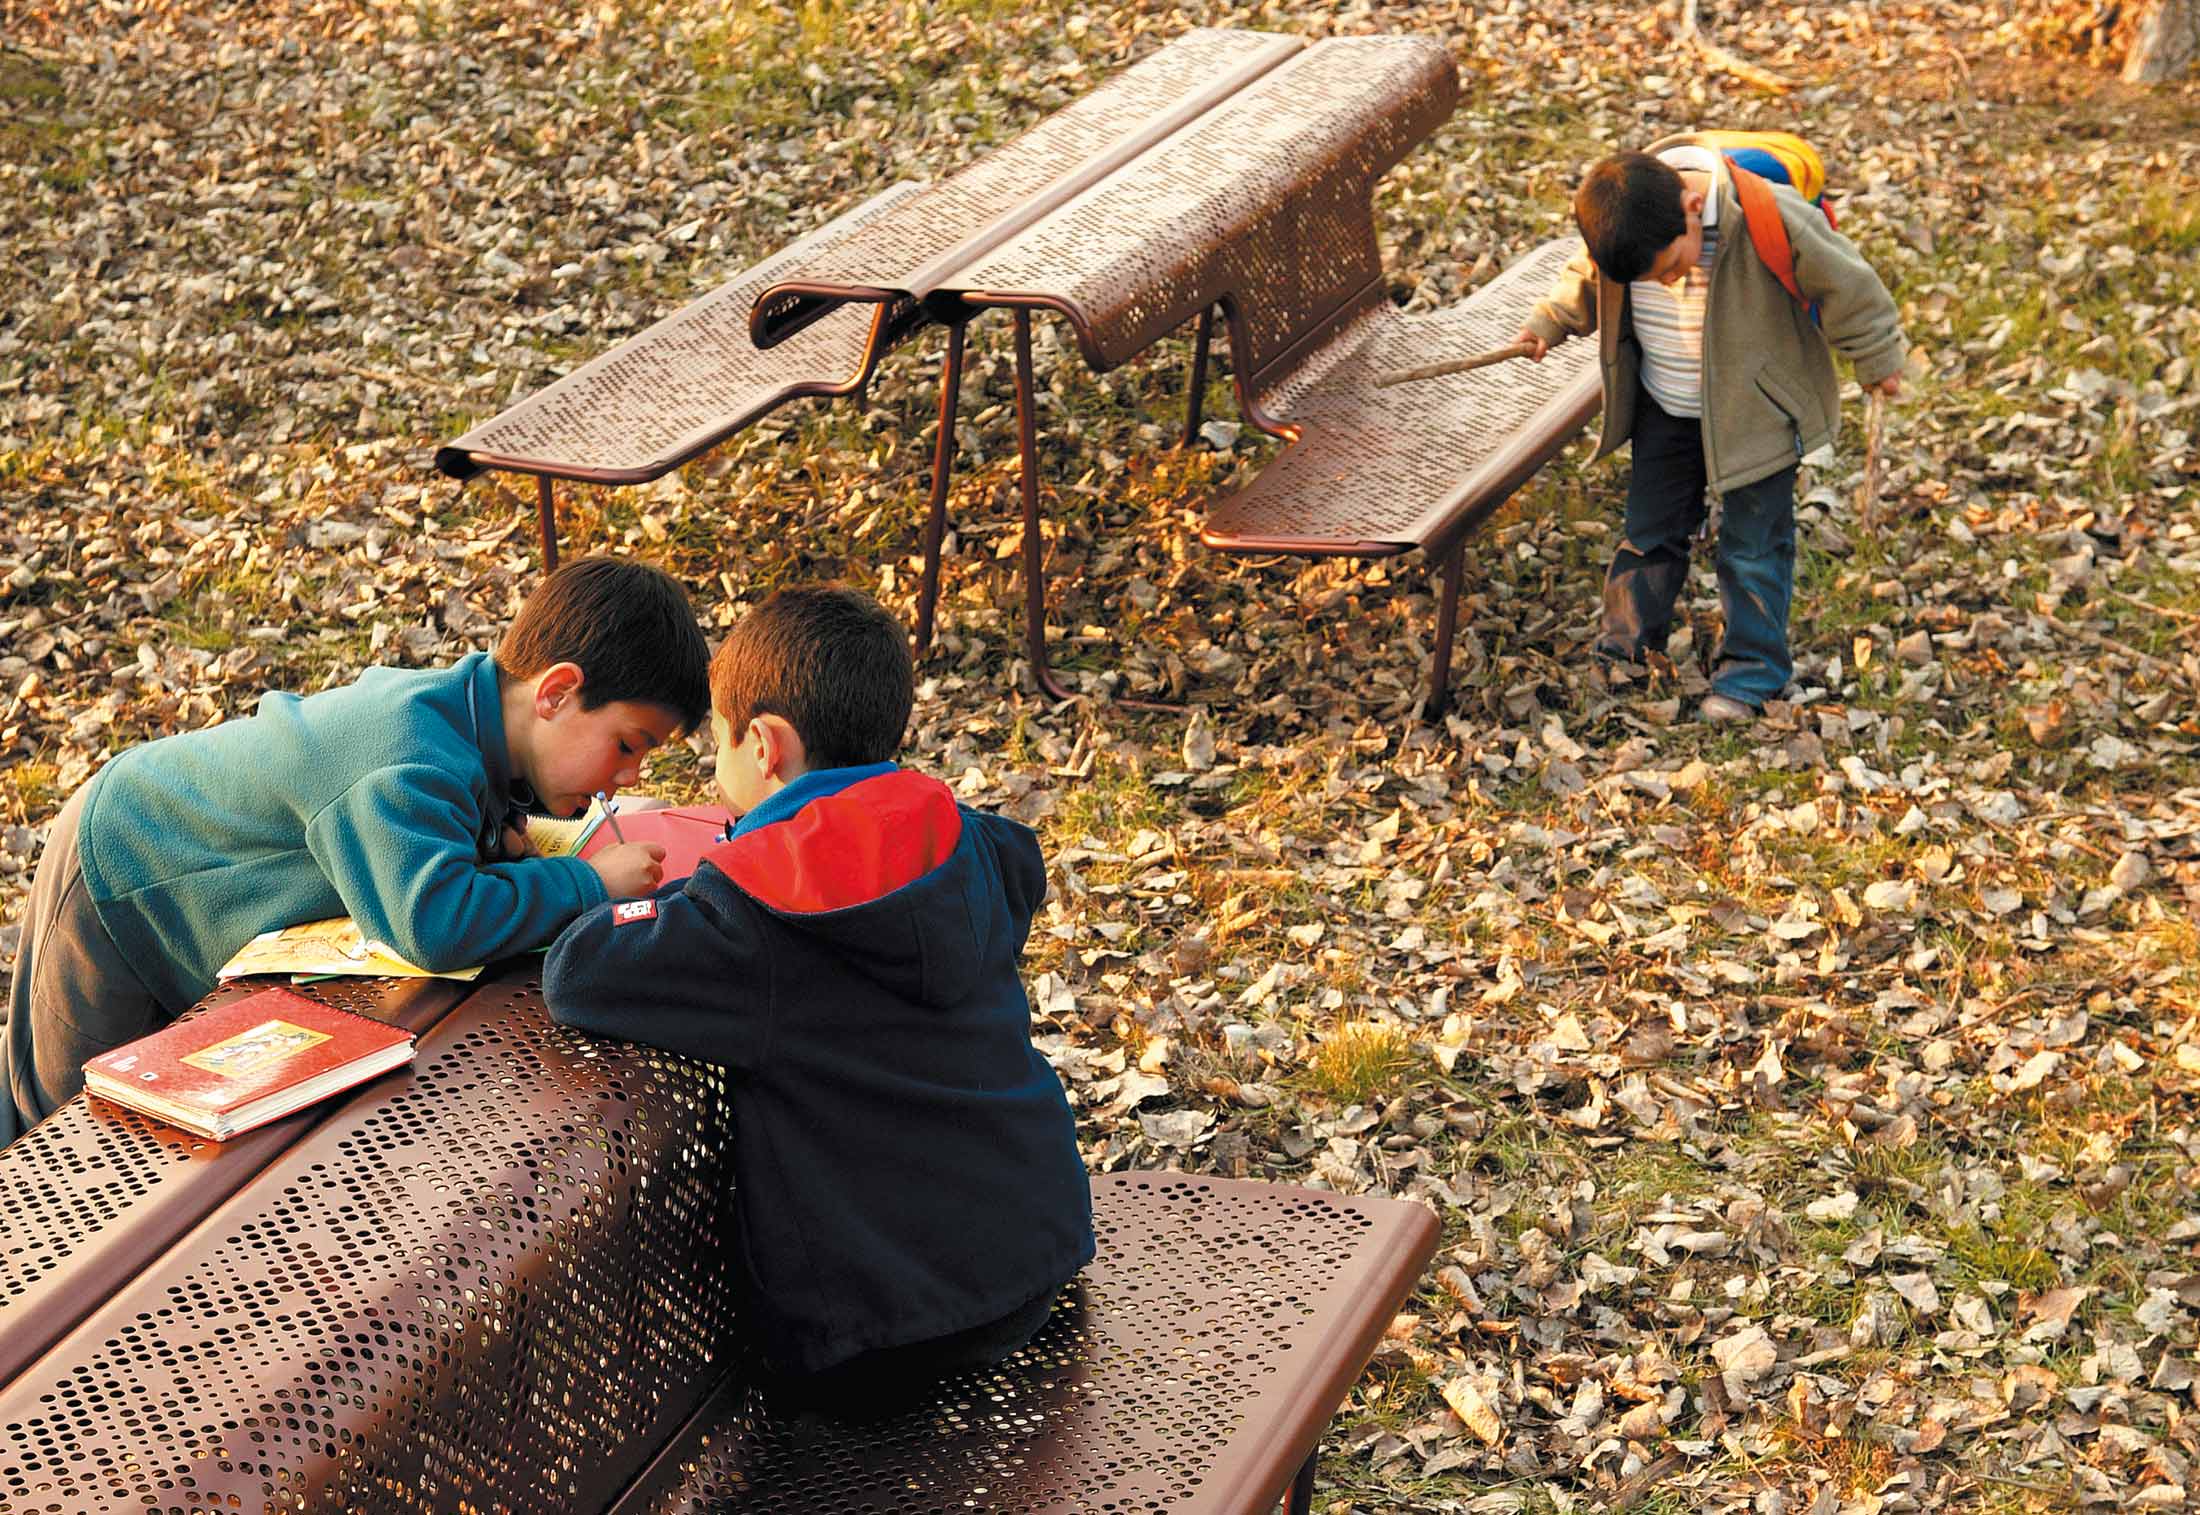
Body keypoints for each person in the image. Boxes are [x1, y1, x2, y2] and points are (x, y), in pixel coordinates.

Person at [543, 584, 1092, 1408]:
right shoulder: (972, 840)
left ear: (765, 746)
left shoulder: (754, 921)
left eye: (719, 744)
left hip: (879, 1332)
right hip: (1032, 1262)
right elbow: (1020, 862)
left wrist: (632, 888)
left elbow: (582, 969)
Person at [1, 554, 708, 1145]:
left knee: (139, 1120)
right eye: (627, 745)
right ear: (555, 693)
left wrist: (502, 835)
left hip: (190, 882)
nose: (631, 776)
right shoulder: (408, 754)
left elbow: (464, 827)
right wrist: (587, 883)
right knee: (64, 1126)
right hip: (123, 873)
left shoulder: (476, 716)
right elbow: (435, 922)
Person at [1515, 135, 1909, 722]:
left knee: (1755, 545)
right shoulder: (1628, 221)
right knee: (1649, 532)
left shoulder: (1769, 215)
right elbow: (1587, 274)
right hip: (1665, 407)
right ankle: (1626, 649)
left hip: (1757, 414)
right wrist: (1551, 320)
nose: (1667, 283)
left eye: (1672, 268)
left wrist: (1877, 357)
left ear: (1693, 208)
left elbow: (1847, 284)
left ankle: (1752, 673)